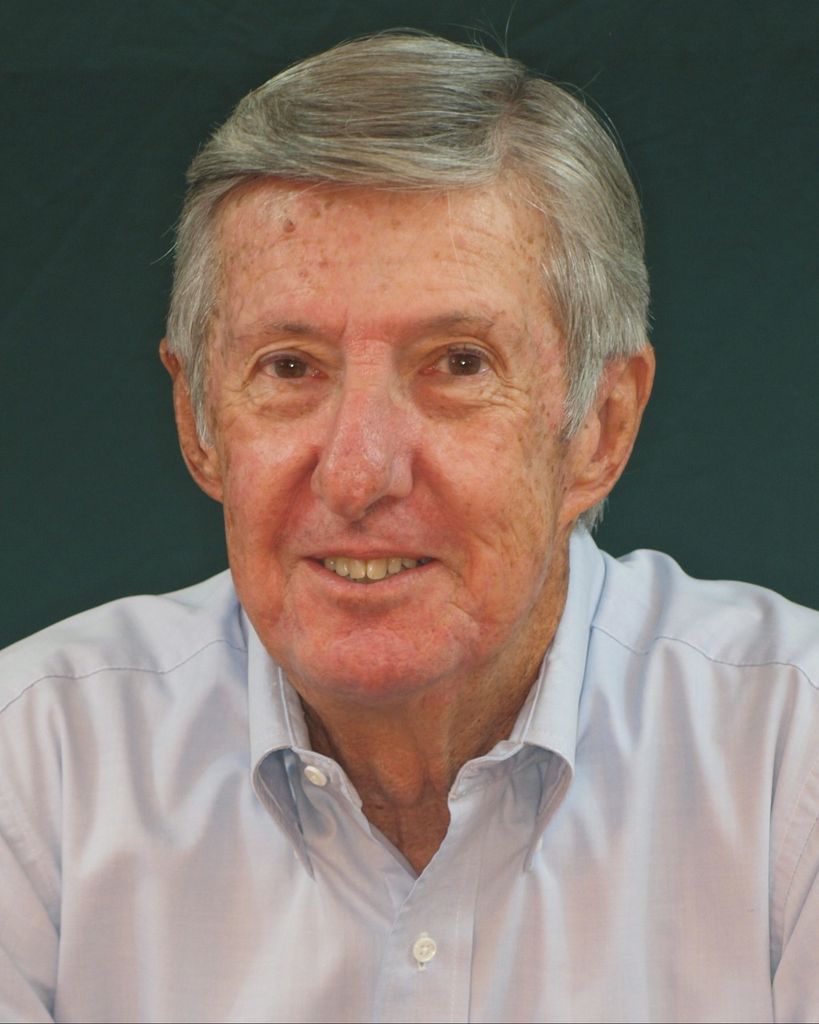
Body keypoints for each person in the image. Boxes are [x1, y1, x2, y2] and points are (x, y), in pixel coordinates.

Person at [1, 31, 817, 1024]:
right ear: (199, 423)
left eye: (458, 364)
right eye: (290, 367)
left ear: (598, 428)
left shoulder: (791, 760)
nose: (357, 474)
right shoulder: (34, 764)